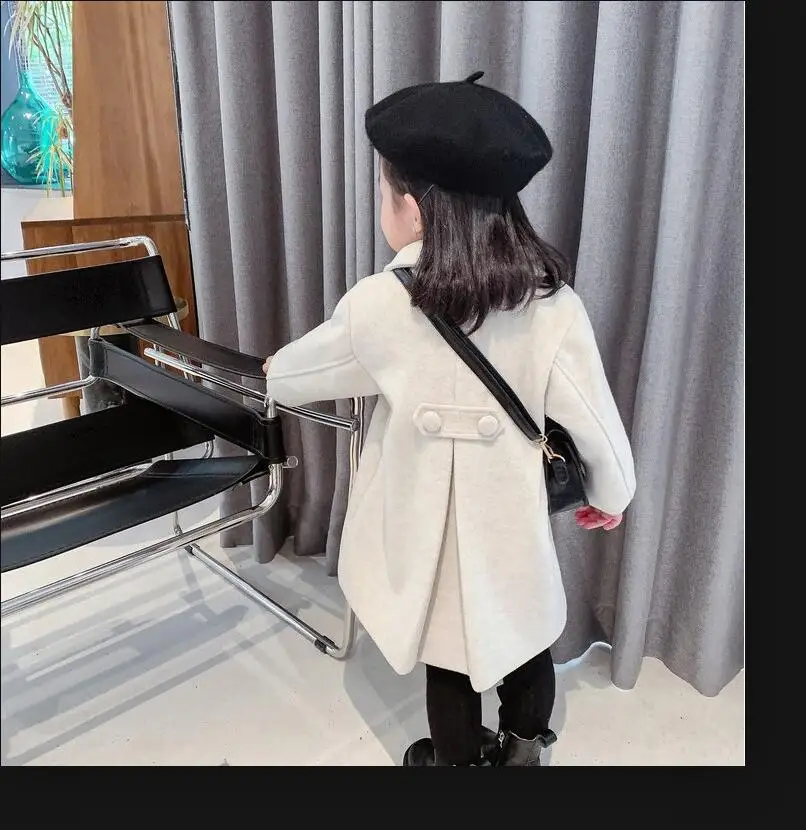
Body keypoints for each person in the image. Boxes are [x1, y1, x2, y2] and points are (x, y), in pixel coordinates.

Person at [264, 72, 636, 766]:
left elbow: (298, 374)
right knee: (524, 635)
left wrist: (271, 372)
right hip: (510, 520)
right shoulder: (551, 303)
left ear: (413, 211)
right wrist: (612, 495)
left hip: (422, 524)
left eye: (385, 193)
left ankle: (455, 766)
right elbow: (595, 419)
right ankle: (523, 752)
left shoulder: (380, 304)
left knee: (448, 657)